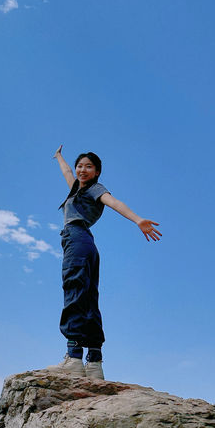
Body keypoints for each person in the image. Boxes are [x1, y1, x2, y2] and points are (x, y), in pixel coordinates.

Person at [52, 145, 161, 379]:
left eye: (88, 167)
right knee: (89, 297)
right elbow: (66, 173)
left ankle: (73, 358)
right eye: (80, 165)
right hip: (87, 244)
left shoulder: (95, 189)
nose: (82, 170)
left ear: (97, 171)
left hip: (77, 240)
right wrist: (59, 157)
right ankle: (94, 364)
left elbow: (113, 202)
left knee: (75, 291)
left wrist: (138, 219)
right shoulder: (75, 189)